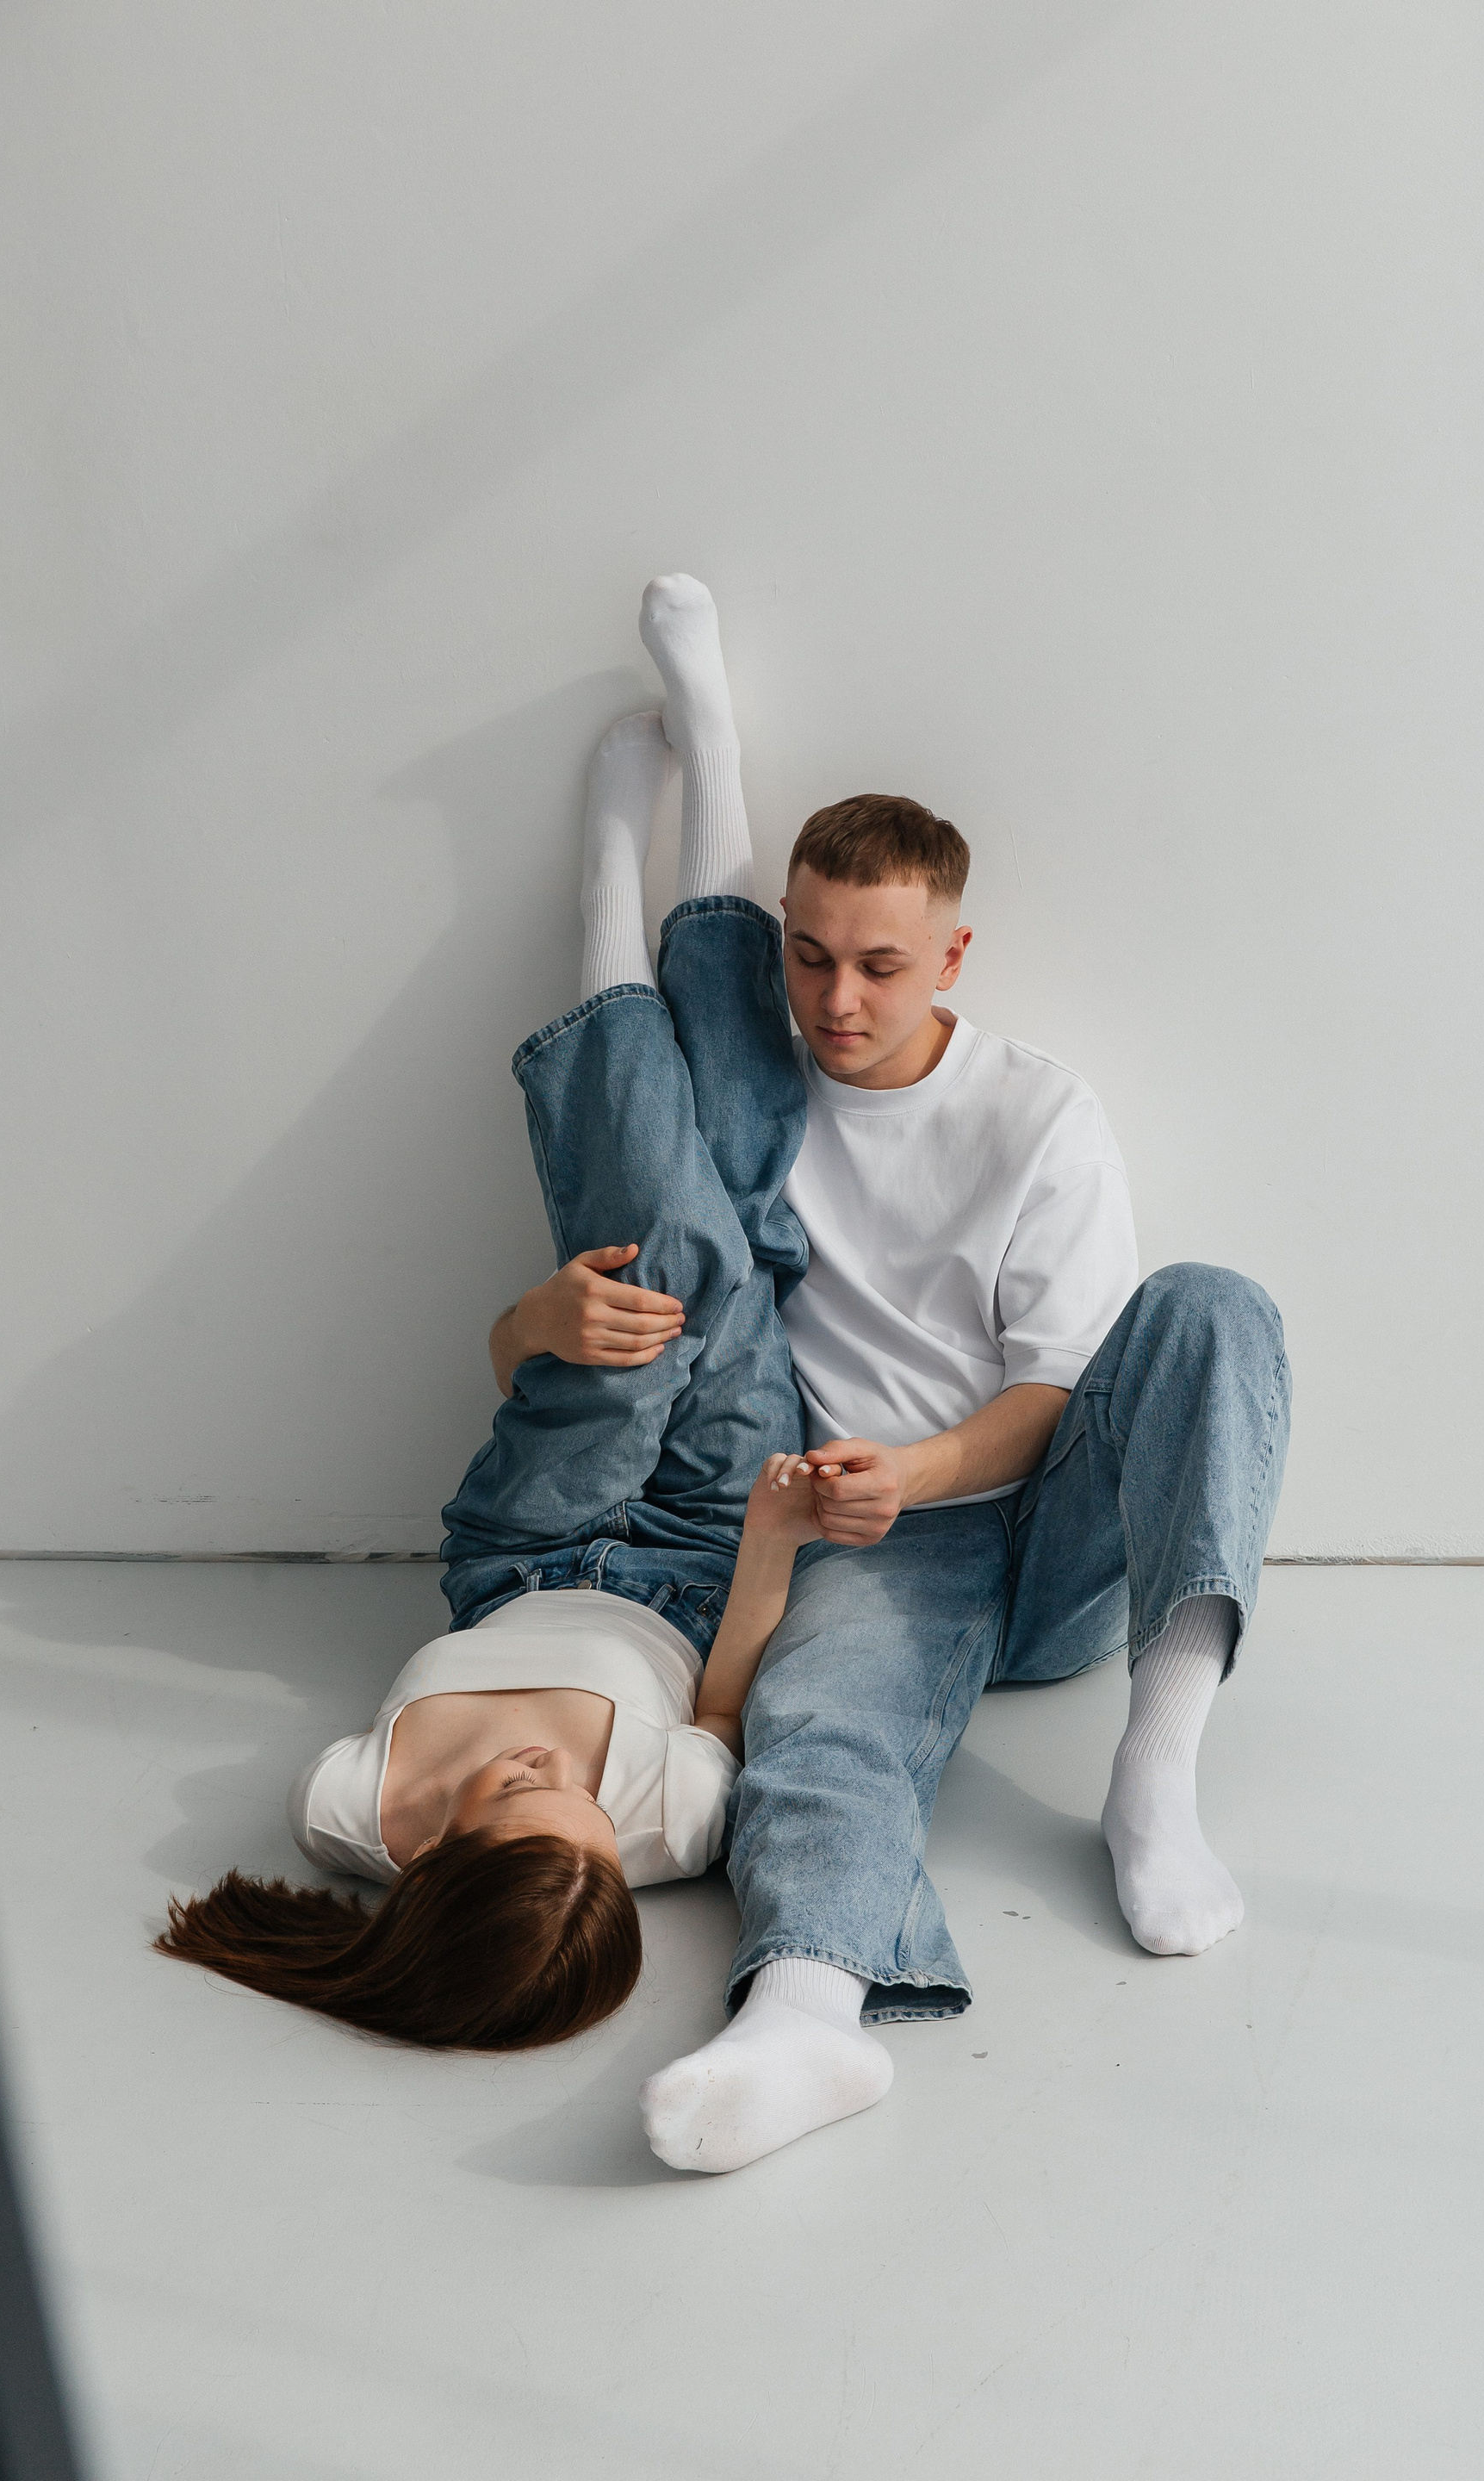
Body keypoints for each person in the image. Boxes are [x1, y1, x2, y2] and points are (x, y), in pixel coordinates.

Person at [497, 576, 1290, 2173]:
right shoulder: (762, 1095)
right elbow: (709, 976)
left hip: (1045, 1525)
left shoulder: (1036, 1113)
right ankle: (807, 2015)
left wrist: (920, 1467)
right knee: (816, 1730)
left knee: (1213, 1307)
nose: (837, 1003)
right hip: (865, 1541)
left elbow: (1060, 1392)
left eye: (877, 965)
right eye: (807, 960)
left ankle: (1156, 1772)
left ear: (950, 955)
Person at [157, 702, 836, 2052]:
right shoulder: (669, 1828)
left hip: (526, 1545)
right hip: (708, 1541)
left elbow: (519, 1384)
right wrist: (771, 1537)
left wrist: (531, 1324)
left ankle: (617, 875)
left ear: (429, 1869)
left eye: (514, 1798)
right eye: (576, 1803)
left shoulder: (347, 1808)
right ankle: (653, 847)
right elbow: (719, 1702)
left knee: (663, 1277)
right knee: (735, 1234)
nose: (541, 1769)